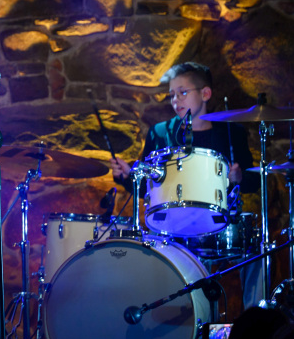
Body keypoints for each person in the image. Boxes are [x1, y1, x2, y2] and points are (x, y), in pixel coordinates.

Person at [110, 61, 261, 303]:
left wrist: (240, 177)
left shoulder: (232, 133)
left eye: (182, 93)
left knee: (259, 252)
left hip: (220, 223)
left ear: (205, 93)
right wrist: (127, 176)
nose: (175, 100)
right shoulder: (160, 133)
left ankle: (256, 320)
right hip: (174, 226)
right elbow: (148, 187)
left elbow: (254, 182)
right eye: (172, 95)